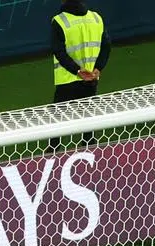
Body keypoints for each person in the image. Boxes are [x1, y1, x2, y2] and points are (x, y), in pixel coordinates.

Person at [49, 1, 112, 150]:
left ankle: (52, 153)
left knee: (57, 118)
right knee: (87, 118)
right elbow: (107, 46)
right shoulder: (96, 18)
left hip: (67, 79)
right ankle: (89, 152)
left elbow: (59, 52)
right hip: (91, 79)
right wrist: (98, 68)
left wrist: (77, 71)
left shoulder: (59, 20)